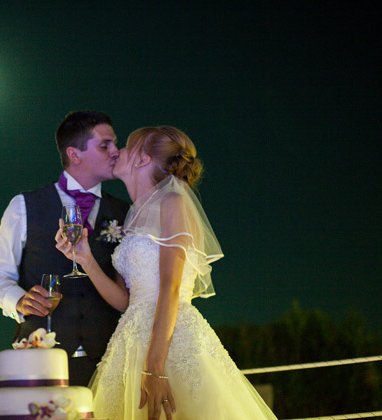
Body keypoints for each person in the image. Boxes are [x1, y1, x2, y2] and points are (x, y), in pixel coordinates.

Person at [55, 126, 278, 419]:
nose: (117, 151)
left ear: (143, 159)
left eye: (126, 146)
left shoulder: (173, 203)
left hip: (169, 344)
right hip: (131, 340)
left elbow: (170, 288)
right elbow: (125, 301)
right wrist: (84, 259)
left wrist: (156, 369)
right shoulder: (133, 214)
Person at [0, 110, 130, 386]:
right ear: (74, 155)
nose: (116, 151)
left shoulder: (126, 213)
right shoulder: (23, 205)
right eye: (105, 145)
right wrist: (18, 299)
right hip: (40, 360)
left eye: (115, 143)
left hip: (109, 358)